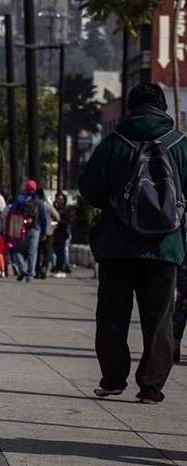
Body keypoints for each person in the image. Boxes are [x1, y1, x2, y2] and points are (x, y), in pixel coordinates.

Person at [79, 83, 187, 404]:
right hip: (165, 246)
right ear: (163, 107)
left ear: (130, 108)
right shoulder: (180, 145)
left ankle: (113, 379)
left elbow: (90, 190)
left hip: (117, 245)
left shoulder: (114, 144)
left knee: (113, 314)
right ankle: (151, 387)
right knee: (159, 318)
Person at [7, 180, 47, 283]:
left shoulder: (20, 199)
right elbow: (43, 218)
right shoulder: (39, 201)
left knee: (17, 251)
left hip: (21, 229)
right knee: (32, 253)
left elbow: (12, 212)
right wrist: (44, 231)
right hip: (36, 229)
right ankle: (30, 274)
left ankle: (22, 268)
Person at [34, 188, 59, 280]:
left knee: (36, 252)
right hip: (48, 232)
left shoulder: (33, 204)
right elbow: (57, 217)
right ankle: (44, 267)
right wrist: (52, 223)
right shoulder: (47, 206)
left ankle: (36, 270)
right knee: (47, 252)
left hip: (36, 231)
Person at [51, 192, 73, 277]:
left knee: (61, 252)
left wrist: (59, 221)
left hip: (62, 233)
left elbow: (67, 222)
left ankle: (62, 269)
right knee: (56, 251)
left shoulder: (65, 210)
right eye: (57, 199)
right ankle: (57, 268)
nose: (59, 201)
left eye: (60, 199)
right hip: (55, 232)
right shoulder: (55, 208)